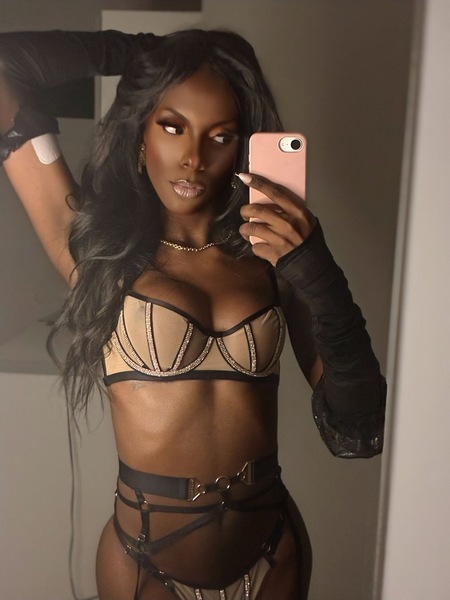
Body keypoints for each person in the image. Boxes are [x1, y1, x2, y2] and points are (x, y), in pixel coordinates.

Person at [0, 29, 386, 600]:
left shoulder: (273, 258)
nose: (193, 158)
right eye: (172, 126)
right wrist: (147, 56)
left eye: (220, 136)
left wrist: (314, 266)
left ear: (241, 148)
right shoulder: (96, 254)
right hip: (145, 565)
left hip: (272, 553)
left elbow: (358, 427)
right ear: (140, 132)